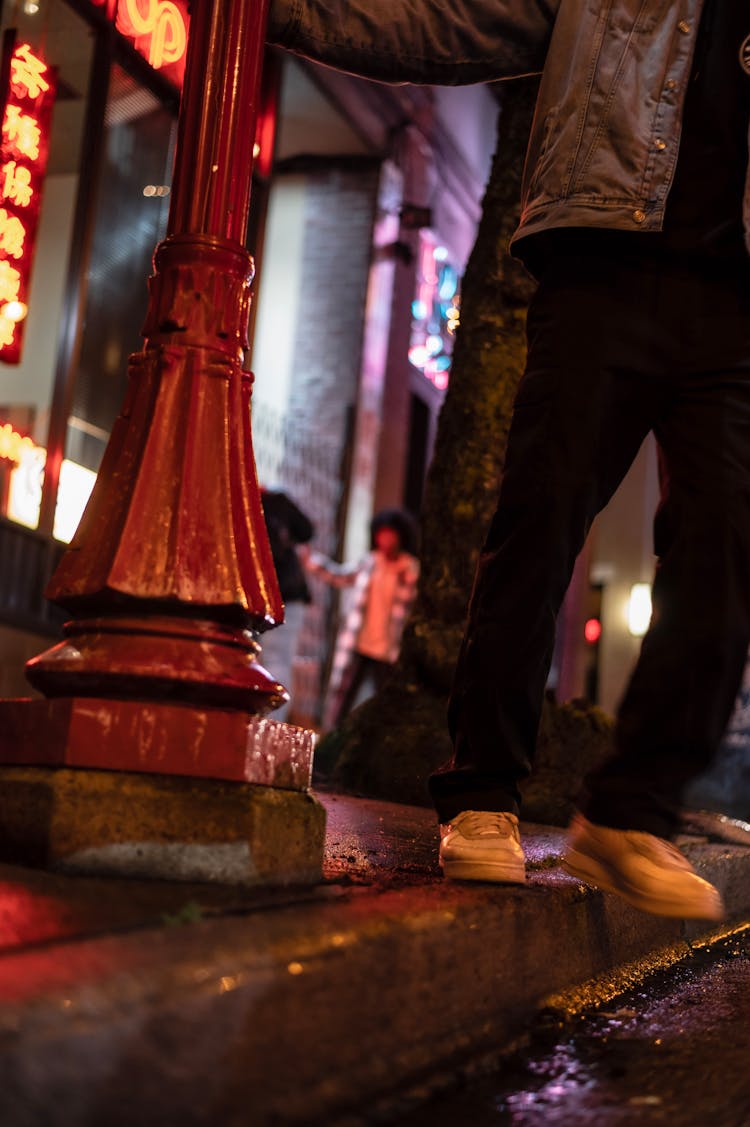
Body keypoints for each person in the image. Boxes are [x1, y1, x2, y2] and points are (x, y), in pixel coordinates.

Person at [267, 0, 750, 920]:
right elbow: (463, 22)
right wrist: (291, 15)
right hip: (604, 262)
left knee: (730, 543)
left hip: (736, 308)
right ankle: (483, 792)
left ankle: (627, 814)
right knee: (541, 517)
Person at [304, 509, 419, 728]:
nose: (384, 540)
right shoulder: (370, 562)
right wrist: (313, 562)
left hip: (389, 650)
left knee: (386, 702)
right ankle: (332, 738)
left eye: (390, 534)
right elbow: (341, 576)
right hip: (360, 642)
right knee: (342, 697)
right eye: (381, 534)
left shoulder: (409, 569)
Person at [260, 487, 315, 722]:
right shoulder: (274, 502)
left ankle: (269, 723)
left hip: (277, 591)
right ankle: (271, 723)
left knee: (274, 659)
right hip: (281, 591)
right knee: (277, 659)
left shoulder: (271, 502)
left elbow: (306, 531)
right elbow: (306, 531)